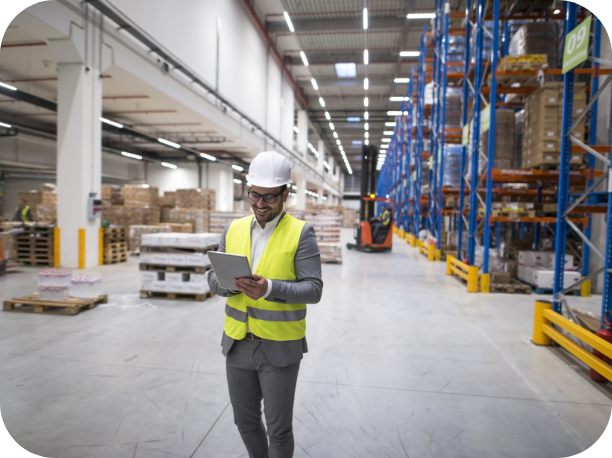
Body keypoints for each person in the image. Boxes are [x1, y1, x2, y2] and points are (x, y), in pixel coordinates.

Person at [207, 151, 323, 457]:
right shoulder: (233, 229)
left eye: (269, 198)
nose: (260, 204)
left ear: (285, 194)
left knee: (278, 430)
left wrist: (269, 288)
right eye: (255, 196)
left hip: (279, 349)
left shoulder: (301, 233)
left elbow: (313, 290)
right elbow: (212, 277)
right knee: (244, 422)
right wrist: (227, 285)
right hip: (237, 344)